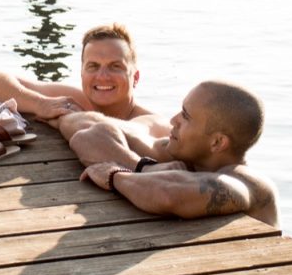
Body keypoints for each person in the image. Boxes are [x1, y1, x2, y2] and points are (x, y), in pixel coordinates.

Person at [71, 80, 280, 228]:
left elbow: (168, 193)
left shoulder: (247, 184)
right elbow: (88, 133)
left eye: (186, 117)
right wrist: (144, 167)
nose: (173, 120)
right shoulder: (186, 156)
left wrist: (114, 175)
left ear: (217, 142)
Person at [0, 23, 159, 126]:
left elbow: (120, 136)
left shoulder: (149, 122)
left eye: (115, 66)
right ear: (81, 73)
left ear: (135, 77)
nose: (102, 76)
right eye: (93, 66)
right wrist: (40, 104)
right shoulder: (76, 101)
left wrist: (71, 121)